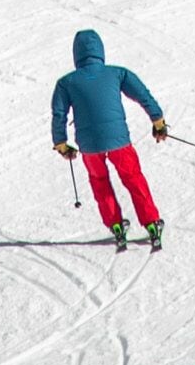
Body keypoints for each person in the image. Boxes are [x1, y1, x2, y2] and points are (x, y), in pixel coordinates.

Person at [50, 28, 170, 249]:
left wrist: (61, 144)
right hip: (119, 141)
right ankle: (151, 223)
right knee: (133, 177)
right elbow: (143, 96)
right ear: (100, 51)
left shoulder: (66, 83)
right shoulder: (117, 73)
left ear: (76, 54)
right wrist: (158, 122)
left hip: (89, 146)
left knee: (99, 181)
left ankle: (115, 224)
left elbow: (59, 114)